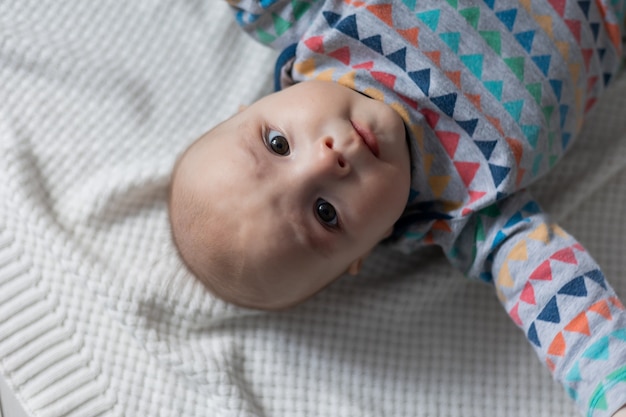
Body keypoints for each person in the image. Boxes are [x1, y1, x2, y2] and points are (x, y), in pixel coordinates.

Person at [168, 0, 626, 415]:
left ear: (257, 105)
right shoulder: (470, 217)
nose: (327, 160)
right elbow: (558, 299)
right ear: (359, 254)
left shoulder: (304, 18)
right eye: (325, 213)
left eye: (277, 143)